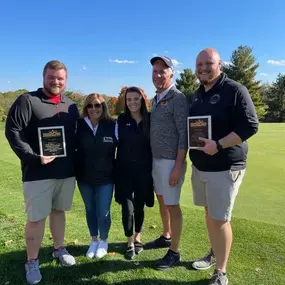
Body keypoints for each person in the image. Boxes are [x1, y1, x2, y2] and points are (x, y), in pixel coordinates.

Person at [5, 60, 79, 284]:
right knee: (36, 218)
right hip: (37, 172)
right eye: (51, 77)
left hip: (65, 172)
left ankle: (59, 249)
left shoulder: (71, 105)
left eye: (60, 78)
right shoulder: (28, 100)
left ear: (65, 80)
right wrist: (33, 157)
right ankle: (32, 261)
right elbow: (13, 131)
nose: (56, 81)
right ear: (43, 77)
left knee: (59, 211)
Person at [189, 48, 259, 285]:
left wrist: (218, 144)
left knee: (220, 219)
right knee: (210, 215)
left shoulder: (235, 90)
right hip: (201, 166)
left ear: (219, 65)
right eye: (199, 65)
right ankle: (213, 253)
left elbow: (250, 126)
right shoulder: (197, 94)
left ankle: (221, 272)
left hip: (225, 166)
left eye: (208, 64)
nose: (203, 69)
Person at [146, 56, 188, 270]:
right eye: (155, 71)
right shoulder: (155, 98)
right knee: (162, 201)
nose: (158, 75)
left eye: (162, 71)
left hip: (172, 161)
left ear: (171, 74)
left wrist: (178, 165)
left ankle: (175, 252)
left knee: (172, 205)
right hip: (156, 160)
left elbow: (184, 134)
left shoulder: (178, 98)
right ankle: (166, 235)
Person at [114, 86, 154, 260]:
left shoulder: (150, 120)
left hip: (144, 172)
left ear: (142, 100)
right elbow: (111, 144)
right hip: (124, 172)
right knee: (127, 208)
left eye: (136, 99)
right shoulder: (120, 121)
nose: (132, 103)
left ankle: (138, 236)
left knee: (139, 206)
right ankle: (129, 241)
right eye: (129, 100)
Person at [75, 94, 116, 259]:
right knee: (90, 209)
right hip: (84, 177)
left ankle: (103, 240)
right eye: (90, 106)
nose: (94, 109)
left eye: (97, 105)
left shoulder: (112, 125)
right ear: (86, 108)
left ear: (103, 107)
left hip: (106, 177)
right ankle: (93, 240)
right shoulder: (79, 125)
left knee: (103, 211)